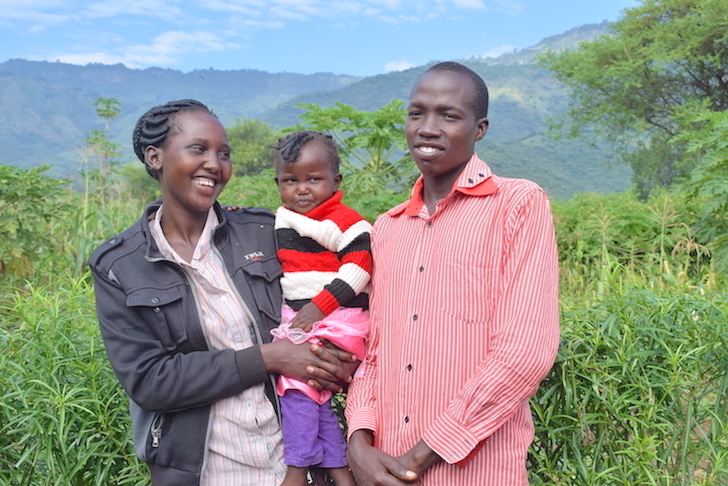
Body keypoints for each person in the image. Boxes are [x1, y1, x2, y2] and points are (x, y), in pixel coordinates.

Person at [89, 100, 357, 486]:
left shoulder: (266, 232)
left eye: (224, 154)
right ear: (155, 156)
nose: (215, 164)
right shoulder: (121, 265)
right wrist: (270, 357)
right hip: (207, 473)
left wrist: (336, 360)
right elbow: (150, 381)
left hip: (298, 464)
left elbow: (324, 301)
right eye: (198, 149)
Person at [344, 62, 561, 485]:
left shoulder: (518, 204)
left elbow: (525, 351)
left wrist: (421, 455)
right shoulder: (387, 227)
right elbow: (374, 351)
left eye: (448, 115)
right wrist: (359, 444)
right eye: (416, 113)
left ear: (479, 129)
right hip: (384, 470)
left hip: (475, 473)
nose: (427, 127)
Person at [271, 131, 371, 486]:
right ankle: (340, 472)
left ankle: (297, 470)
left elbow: (360, 265)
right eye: (290, 180)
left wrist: (318, 308)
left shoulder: (342, 219)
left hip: (338, 319)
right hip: (311, 319)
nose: (302, 189)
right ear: (278, 183)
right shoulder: (284, 217)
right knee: (316, 394)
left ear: (336, 181)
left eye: (314, 179)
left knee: (297, 388)